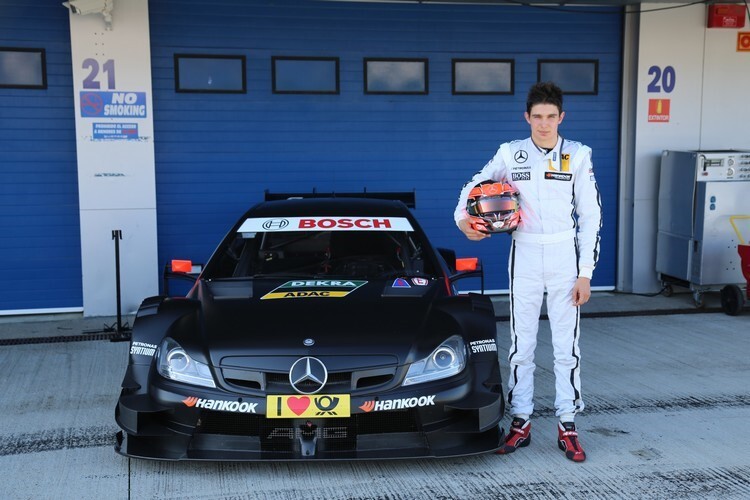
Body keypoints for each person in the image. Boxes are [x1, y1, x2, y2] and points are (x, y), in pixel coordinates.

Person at [453, 82, 602, 463]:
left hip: (565, 257)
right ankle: (521, 421)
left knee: (567, 345)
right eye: (537, 116)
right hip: (525, 254)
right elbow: (474, 184)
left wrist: (585, 272)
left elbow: (591, 216)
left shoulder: (579, 155)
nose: (544, 124)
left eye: (551, 116)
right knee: (523, 345)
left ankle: (567, 423)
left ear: (561, 117)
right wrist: (463, 221)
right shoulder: (511, 152)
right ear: (527, 117)